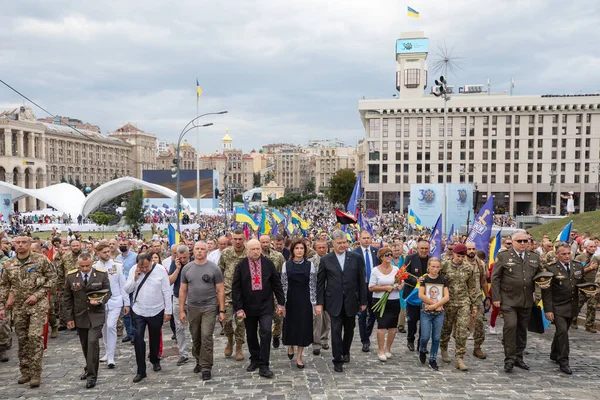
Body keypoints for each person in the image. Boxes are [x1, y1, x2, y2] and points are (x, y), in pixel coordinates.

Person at [0, 235, 56, 388]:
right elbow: (4, 286)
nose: (20, 245)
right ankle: (25, 371)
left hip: (37, 305)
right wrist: (1, 306)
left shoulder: (41, 259)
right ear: (13, 245)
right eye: (17, 243)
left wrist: (37, 295)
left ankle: (36, 373)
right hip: (19, 306)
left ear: (30, 243)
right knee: (23, 339)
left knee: (34, 336)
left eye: (24, 242)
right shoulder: (9, 264)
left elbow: (52, 279)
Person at [491, 229, 544, 373]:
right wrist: (496, 298)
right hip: (508, 299)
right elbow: (495, 278)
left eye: (525, 241)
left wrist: (543, 285)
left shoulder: (534, 257)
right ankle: (509, 359)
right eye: (519, 241)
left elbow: (541, 275)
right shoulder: (503, 256)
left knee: (522, 329)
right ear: (513, 242)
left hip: (526, 300)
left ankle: (519, 357)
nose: (522, 243)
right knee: (511, 325)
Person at [232, 239, 285, 378]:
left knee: (266, 331)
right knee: (250, 334)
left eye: (258, 248)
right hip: (248, 306)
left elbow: (276, 284)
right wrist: (238, 308)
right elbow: (236, 289)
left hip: (266, 305)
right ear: (247, 250)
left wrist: (281, 302)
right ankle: (254, 358)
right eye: (253, 249)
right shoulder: (241, 266)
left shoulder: (268, 263)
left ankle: (264, 364)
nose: (256, 251)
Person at [316, 230, 367, 373]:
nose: (342, 245)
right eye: (339, 243)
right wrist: (319, 303)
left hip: (351, 300)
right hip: (333, 301)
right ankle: (337, 359)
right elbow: (320, 283)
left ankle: (346, 351)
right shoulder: (326, 259)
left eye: (344, 242)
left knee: (350, 329)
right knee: (336, 330)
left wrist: (363, 301)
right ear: (333, 244)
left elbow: (361, 281)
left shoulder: (356, 258)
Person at [63, 253, 111, 388]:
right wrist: (69, 318)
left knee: (92, 342)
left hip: (96, 315)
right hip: (80, 315)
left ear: (92, 263)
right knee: (85, 345)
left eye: (87, 266)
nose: (84, 269)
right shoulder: (71, 276)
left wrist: (100, 300)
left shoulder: (101, 274)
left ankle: (91, 376)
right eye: (82, 266)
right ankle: (88, 367)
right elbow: (67, 298)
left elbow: (108, 292)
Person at [179, 241, 225, 381]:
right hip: (193, 307)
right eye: (197, 249)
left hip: (209, 307)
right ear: (193, 251)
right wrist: (181, 310)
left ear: (207, 251)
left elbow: (220, 290)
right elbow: (183, 290)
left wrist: (221, 310)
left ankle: (206, 367)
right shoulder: (187, 268)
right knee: (196, 336)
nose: (199, 251)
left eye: (202, 249)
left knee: (206, 336)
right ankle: (198, 359)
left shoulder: (214, 268)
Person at [125, 252, 172, 383]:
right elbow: (127, 289)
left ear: (151, 261)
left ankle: (154, 359)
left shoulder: (160, 270)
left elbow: (167, 291)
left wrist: (168, 311)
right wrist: (134, 278)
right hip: (138, 310)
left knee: (155, 336)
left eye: (146, 266)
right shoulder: (134, 269)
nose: (144, 269)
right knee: (138, 338)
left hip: (156, 310)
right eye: (142, 267)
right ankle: (141, 370)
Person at [542, 243, 587, 374]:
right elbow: (547, 292)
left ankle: (554, 352)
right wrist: (548, 309)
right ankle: (564, 361)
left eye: (569, 253)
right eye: (564, 254)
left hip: (572, 305)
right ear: (557, 255)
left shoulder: (577, 266)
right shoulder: (550, 268)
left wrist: (589, 291)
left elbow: (581, 283)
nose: (567, 256)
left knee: (562, 331)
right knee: (562, 332)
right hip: (557, 306)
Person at [439, 243, 480, 371]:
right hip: (447, 302)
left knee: (462, 330)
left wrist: (474, 305)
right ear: (453, 254)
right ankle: (444, 348)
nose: (460, 259)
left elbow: (472, 287)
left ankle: (459, 357)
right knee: (446, 327)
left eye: (463, 256)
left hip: (463, 302)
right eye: (458, 256)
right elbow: (437, 282)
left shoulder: (468, 268)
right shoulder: (444, 265)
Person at [281, 239, 317, 369]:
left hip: (304, 299)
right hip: (290, 300)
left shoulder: (310, 265)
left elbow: (313, 284)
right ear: (292, 250)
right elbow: (284, 284)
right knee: (291, 326)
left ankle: (299, 357)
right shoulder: (286, 265)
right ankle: (291, 345)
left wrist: (314, 303)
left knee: (302, 328)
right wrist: (282, 303)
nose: (299, 251)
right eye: (297, 248)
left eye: (302, 248)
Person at [368, 247, 403, 362]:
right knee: (382, 325)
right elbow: (371, 287)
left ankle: (388, 348)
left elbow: (400, 282)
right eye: (386, 255)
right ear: (381, 257)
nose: (389, 257)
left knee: (393, 326)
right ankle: (380, 350)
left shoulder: (396, 269)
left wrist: (399, 286)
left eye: (390, 255)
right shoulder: (375, 270)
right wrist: (385, 288)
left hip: (394, 300)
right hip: (379, 300)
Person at [218, 229, 248, 361]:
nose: (237, 242)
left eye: (240, 239)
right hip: (228, 293)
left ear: (244, 239)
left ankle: (239, 347)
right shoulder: (226, 253)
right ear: (232, 239)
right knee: (227, 321)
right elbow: (220, 272)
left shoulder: (248, 253)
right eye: (235, 239)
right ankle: (230, 340)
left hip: (244, 294)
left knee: (241, 323)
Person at [418, 257, 449, 371]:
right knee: (425, 336)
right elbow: (421, 295)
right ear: (429, 267)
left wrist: (436, 305)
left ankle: (433, 359)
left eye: (437, 267)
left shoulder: (442, 280)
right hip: (426, 312)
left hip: (439, 313)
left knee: (436, 337)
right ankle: (422, 349)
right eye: (433, 267)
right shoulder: (424, 279)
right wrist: (433, 303)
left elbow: (446, 296)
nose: (435, 269)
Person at [258, 235, 285, 349]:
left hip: (274, 290)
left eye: (267, 242)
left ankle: (276, 335)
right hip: (259, 291)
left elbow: (283, 274)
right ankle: (264, 337)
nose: (265, 244)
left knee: (278, 316)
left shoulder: (278, 256)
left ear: (271, 243)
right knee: (262, 317)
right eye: (263, 242)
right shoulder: (255, 256)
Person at [403, 240, 430, 352]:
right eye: (422, 248)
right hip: (413, 294)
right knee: (412, 320)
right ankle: (410, 339)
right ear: (417, 248)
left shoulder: (432, 260)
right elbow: (403, 274)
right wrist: (416, 280)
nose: (424, 251)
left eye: (426, 248)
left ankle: (421, 344)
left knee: (425, 321)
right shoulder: (410, 258)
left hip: (427, 296)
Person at [354, 230, 378, 353]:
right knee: (362, 314)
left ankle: (367, 334)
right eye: (364, 238)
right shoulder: (354, 253)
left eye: (368, 238)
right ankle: (365, 340)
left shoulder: (376, 252)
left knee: (373, 314)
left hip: (373, 286)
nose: (367, 240)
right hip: (361, 286)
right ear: (360, 239)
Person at [168, 245, 192, 366]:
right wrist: (177, 269)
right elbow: (170, 281)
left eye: (184, 257)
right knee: (179, 326)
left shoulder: (194, 262)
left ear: (188, 255)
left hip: (192, 297)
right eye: (180, 257)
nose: (182, 260)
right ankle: (183, 353)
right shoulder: (174, 263)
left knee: (195, 325)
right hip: (178, 296)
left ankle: (197, 349)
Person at [464, 242, 487, 359]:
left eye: (473, 249)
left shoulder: (480, 264)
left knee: (479, 323)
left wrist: (487, 297)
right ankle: (459, 349)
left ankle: (477, 347)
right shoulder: (460, 262)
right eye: (469, 249)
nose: (471, 251)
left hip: (477, 298)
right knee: (460, 325)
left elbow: (483, 281)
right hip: (462, 298)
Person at [309, 239, 331, 356]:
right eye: (319, 248)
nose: (322, 250)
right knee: (317, 318)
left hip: (329, 292)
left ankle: (324, 339)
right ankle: (316, 343)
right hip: (317, 293)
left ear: (327, 248)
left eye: (324, 247)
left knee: (327, 319)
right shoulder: (311, 262)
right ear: (315, 248)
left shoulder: (332, 260)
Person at [573, 239, 598, 332]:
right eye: (591, 247)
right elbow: (576, 271)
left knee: (592, 306)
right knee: (578, 304)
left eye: (594, 247)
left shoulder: (596, 258)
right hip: (582, 285)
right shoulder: (579, 258)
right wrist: (591, 268)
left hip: (592, 285)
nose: (593, 248)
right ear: (585, 247)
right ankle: (573, 320)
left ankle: (589, 325)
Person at [116, 238, 137, 343]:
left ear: (129, 245)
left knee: (133, 311)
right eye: (121, 244)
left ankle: (134, 334)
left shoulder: (135, 257)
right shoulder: (117, 258)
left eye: (124, 244)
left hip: (132, 286)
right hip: (121, 288)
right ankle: (129, 333)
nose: (122, 246)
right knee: (125, 312)